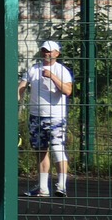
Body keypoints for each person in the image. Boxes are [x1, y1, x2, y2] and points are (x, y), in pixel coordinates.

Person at [17, 38, 75, 197]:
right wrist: (16, 97)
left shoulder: (62, 70)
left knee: (57, 148)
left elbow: (67, 91)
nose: (46, 53)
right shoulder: (34, 69)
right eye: (44, 50)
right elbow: (22, 86)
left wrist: (52, 76)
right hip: (36, 117)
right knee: (40, 150)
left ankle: (61, 185)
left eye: (49, 51)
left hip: (56, 117)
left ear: (57, 53)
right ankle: (42, 188)